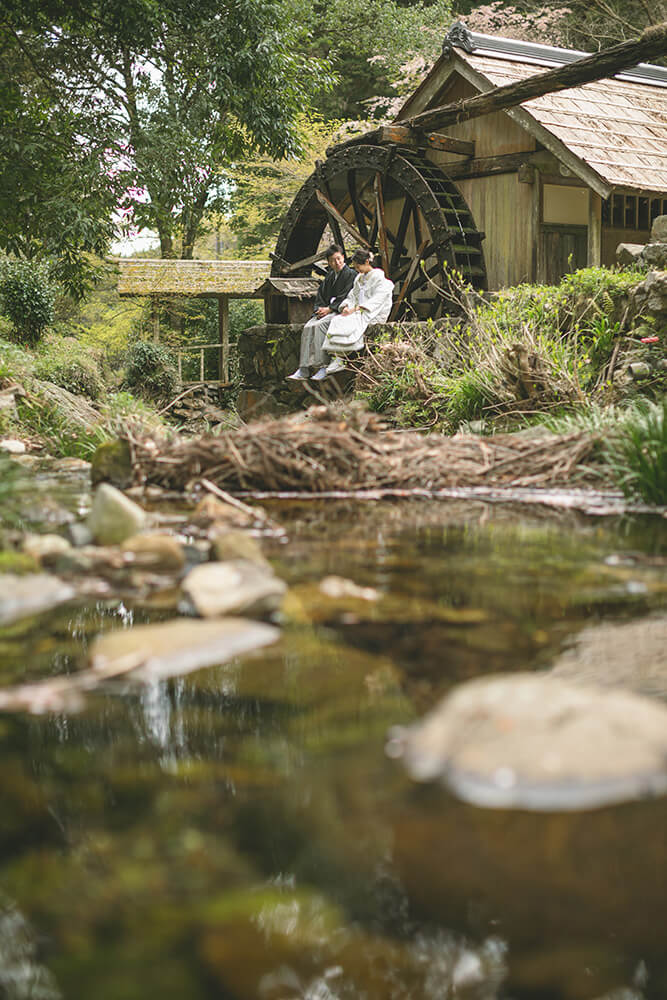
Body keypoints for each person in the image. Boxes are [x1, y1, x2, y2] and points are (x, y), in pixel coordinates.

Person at [311, 249, 394, 380]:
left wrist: (356, 309)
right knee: (338, 319)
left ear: (367, 262)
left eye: (358, 266)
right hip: (357, 310)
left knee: (351, 321)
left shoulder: (380, 279)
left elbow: (377, 300)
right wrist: (346, 307)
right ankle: (337, 356)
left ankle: (342, 357)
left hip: (372, 312)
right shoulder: (359, 278)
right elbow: (352, 296)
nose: (357, 269)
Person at [286, 244, 355, 380]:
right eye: (333, 260)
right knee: (307, 327)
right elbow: (321, 296)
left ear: (343, 258)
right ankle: (303, 368)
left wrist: (330, 309)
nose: (337, 263)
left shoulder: (352, 275)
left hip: (340, 311)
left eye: (339, 259)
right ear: (328, 262)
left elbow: (348, 295)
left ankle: (323, 366)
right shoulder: (330, 277)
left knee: (319, 327)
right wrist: (320, 309)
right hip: (327, 310)